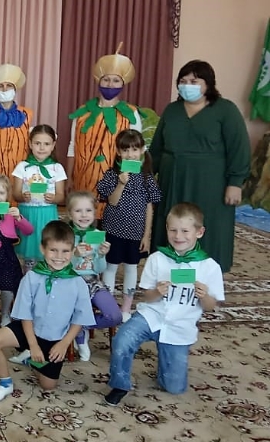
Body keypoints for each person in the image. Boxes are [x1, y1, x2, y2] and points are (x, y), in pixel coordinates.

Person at [105, 202, 224, 406]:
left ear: (199, 232)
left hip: (180, 326)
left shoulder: (210, 267)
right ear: (166, 230)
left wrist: (204, 296)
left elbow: (210, 306)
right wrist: (157, 292)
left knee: (174, 387)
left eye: (185, 231)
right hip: (151, 316)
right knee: (122, 340)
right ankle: (119, 384)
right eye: (173, 230)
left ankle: (166, 366)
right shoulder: (157, 259)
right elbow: (147, 297)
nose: (178, 236)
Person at [150, 60, 250, 273]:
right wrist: (146, 178)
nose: (187, 85)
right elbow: (156, 149)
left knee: (208, 224)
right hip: (173, 179)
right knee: (173, 222)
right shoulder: (172, 110)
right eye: (183, 81)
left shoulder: (226, 110)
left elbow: (239, 148)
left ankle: (206, 275)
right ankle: (167, 272)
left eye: (194, 81)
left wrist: (235, 182)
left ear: (208, 83)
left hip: (210, 182)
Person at [0, 221, 95, 402]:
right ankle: (5, 383)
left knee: (48, 386)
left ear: (73, 251)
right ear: (42, 249)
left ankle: (30, 359)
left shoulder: (78, 283)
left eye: (65, 251)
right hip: (29, 329)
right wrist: (33, 345)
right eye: (53, 250)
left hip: (55, 338)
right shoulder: (31, 277)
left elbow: (79, 318)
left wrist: (64, 343)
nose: (59, 257)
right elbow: (25, 314)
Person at [67, 43, 142, 217]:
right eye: (106, 79)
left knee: (111, 223)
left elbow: (136, 151)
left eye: (116, 80)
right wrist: (70, 178)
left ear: (123, 83)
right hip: (84, 179)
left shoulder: (131, 113)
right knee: (85, 221)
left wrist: (130, 182)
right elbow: (72, 146)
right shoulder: (83, 112)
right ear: (98, 80)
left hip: (117, 182)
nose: (110, 84)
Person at [98, 130, 162, 321]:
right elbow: (112, 201)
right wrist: (121, 183)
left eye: (135, 149)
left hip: (136, 233)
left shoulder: (146, 177)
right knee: (110, 267)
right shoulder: (112, 174)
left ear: (142, 150)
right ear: (118, 152)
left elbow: (150, 207)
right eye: (125, 150)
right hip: (113, 230)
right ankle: (109, 306)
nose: (130, 154)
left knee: (131, 268)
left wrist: (146, 235)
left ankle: (126, 308)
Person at [65, 191, 121, 361]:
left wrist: (101, 255)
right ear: (70, 214)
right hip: (69, 281)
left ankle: (79, 327)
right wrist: (75, 255)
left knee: (114, 316)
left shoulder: (97, 234)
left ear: (95, 212)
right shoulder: (65, 235)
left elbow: (99, 269)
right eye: (78, 211)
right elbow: (58, 266)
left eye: (88, 210)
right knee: (71, 306)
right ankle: (79, 334)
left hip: (92, 281)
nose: (84, 215)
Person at [0, 174, 33, 326]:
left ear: (7, 195)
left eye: (1, 193)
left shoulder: (11, 213)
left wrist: (19, 218)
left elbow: (29, 230)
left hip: (7, 256)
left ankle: (5, 313)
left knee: (8, 285)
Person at [12, 125, 67, 267]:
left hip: (47, 214)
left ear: (53, 145)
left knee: (47, 244)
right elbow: (15, 194)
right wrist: (22, 196)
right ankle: (28, 273)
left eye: (46, 144)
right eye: (37, 143)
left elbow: (61, 196)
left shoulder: (57, 168)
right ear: (30, 144)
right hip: (27, 214)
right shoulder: (22, 166)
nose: (42, 148)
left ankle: (46, 272)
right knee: (28, 249)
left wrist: (54, 198)